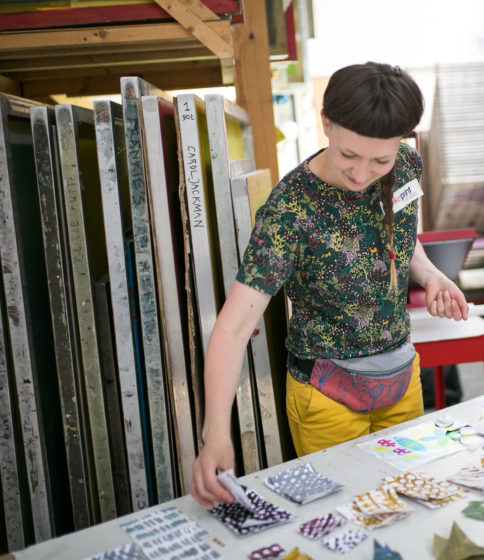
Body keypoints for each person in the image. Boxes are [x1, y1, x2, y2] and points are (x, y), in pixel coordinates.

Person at [191, 62, 469, 507]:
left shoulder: (408, 167)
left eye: (380, 159)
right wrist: (215, 434)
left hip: (401, 378)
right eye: (348, 155)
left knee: (414, 506)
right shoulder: (291, 209)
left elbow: (400, 236)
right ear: (325, 125)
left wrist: (432, 274)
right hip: (327, 396)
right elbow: (233, 326)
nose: (362, 174)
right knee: (346, 518)